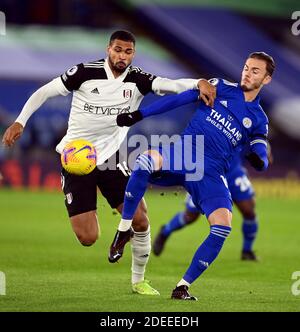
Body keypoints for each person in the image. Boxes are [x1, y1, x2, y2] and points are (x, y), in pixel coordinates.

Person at [2, 30, 216, 296]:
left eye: (127, 52)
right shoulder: (84, 72)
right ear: (108, 49)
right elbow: (44, 91)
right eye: (117, 50)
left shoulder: (138, 80)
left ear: (133, 54)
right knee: (88, 238)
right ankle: (87, 201)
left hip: (112, 159)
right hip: (76, 159)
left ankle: (139, 281)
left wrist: (200, 82)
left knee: (140, 219)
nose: (122, 56)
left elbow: (171, 84)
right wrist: (21, 121)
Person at [111, 51, 275, 300]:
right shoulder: (219, 87)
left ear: (266, 79)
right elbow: (179, 100)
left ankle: (182, 287)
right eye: (246, 67)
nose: (247, 73)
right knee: (144, 161)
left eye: (255, 70)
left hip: (211, 171)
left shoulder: (259, 119)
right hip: (186, 151)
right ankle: (124, 229)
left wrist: (259, 160)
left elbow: (261, 151)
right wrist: (140, 115)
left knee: (222, 225)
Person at [153, 153, 260, 260]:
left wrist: (263, 153)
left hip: (233, 172)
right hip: (208, 173)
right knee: (190, 216)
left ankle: (247, 251)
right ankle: (165, 231)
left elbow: (255, 139)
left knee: (249, 210)